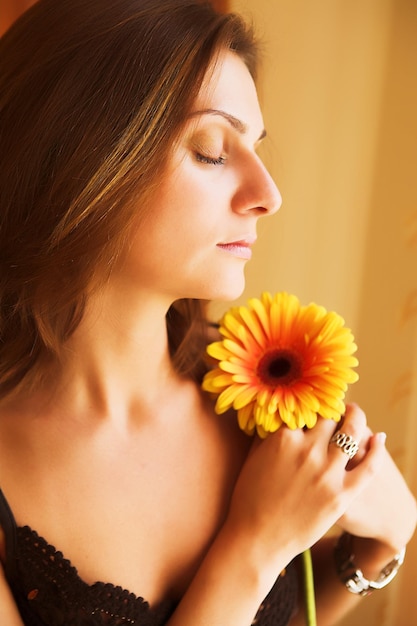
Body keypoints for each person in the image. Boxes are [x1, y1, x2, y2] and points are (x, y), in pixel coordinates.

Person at [0, 0, 415, 624]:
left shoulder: (263, 400)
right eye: (212, 152)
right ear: (82, 162)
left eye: (256, 147)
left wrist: (378, 544)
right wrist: (254, 547)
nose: (268, 196)